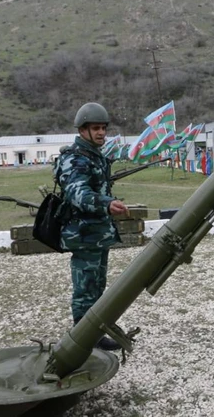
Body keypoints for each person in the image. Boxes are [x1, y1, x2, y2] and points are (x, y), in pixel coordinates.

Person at [55, 102, 128, 351]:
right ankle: (81, 342)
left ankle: (94, 335)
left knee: (97, 288)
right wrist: (106, 203)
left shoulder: (94, 156)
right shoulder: (74, 158)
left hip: (98, 234)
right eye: (96, 128)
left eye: (103, 128)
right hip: (83, 235)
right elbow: (77, 193)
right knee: (85, 290)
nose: (101, 133)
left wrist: (108, 202)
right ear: (82, 130)